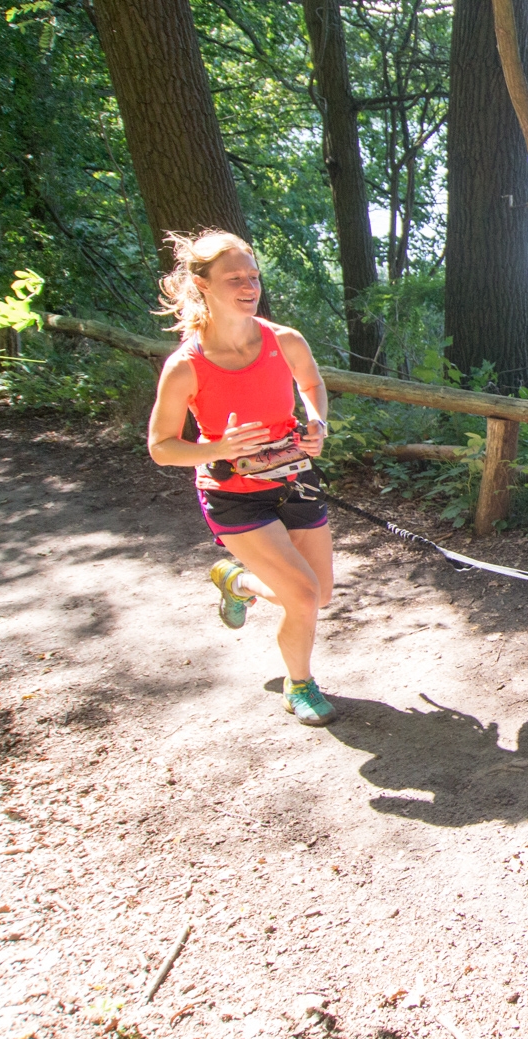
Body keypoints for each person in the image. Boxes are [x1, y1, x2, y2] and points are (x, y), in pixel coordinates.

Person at [145, 230, 338, 726]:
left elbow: (311, 383)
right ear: (202, 284)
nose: (249, 286)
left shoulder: (284, 339)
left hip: (295, 479)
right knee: (301, 596)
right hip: (233, 494)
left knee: (321, 594)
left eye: (253, 276)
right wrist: (218, 448)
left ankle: (239, 582)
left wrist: (316, 421)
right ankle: (300, 685)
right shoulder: (185, 367)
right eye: (235, 278)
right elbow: (161, 446)